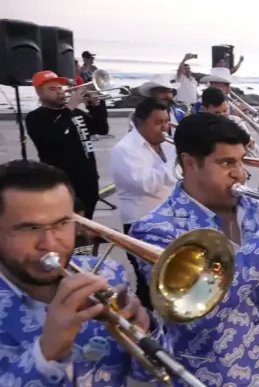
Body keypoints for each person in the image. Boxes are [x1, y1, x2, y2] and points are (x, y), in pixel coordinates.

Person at [130, 113, 259, 386]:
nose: (241, 173)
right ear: (189, 163)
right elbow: (198, 315)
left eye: (241, 161)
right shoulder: (155, 231)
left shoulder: (256, 209)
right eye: (226, 163)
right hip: (214, 373)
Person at [0, 160, 161, 386]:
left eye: (62, 223)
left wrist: (144, 331)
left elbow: (151, 376)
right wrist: (46, 354)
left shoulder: (108, 272)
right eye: (29, 228)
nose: (50, 244)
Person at [109, 98, 176, 309]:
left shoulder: (167, 144)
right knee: (148, 283)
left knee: (170, 281)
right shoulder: (124, 150)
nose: (165, 128)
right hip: (140, 224)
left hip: (169, 220)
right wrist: (178, 162)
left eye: (166, 121)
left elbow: (176, 180)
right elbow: (146, 184)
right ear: (139, 122)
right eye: (158, 122)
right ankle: (142, 326)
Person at [25, 70, 109, 219]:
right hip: (61, 182)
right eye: (52, 89)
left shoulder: (76, 113)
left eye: (60, 88)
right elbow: (52, 138)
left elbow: (101, 129)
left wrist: (97, 106)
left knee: (87, 224)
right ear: (39, 93)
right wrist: (69, 108)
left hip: (88, 179)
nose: (60, 92)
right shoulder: (35, 118)